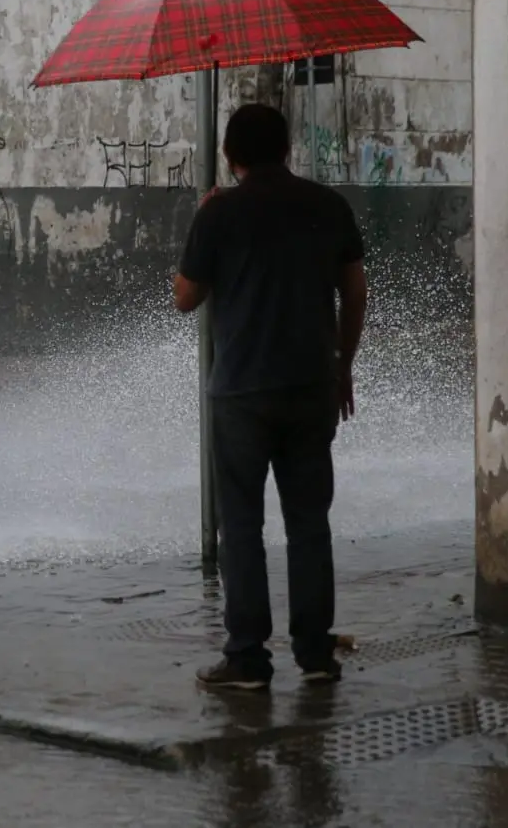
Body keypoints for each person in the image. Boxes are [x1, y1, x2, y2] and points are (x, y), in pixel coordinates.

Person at [172, 103, 368, 690]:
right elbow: (355, 289)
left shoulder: (221, 213)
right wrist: (343, 363)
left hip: (241, 393)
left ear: (231, 157)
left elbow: (185, 298)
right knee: (309, 523)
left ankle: (248, 659)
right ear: (286, 149)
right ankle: (314, 653)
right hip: (312, 385)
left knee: (243, 525)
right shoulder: (328, 206)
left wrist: (202, 220)